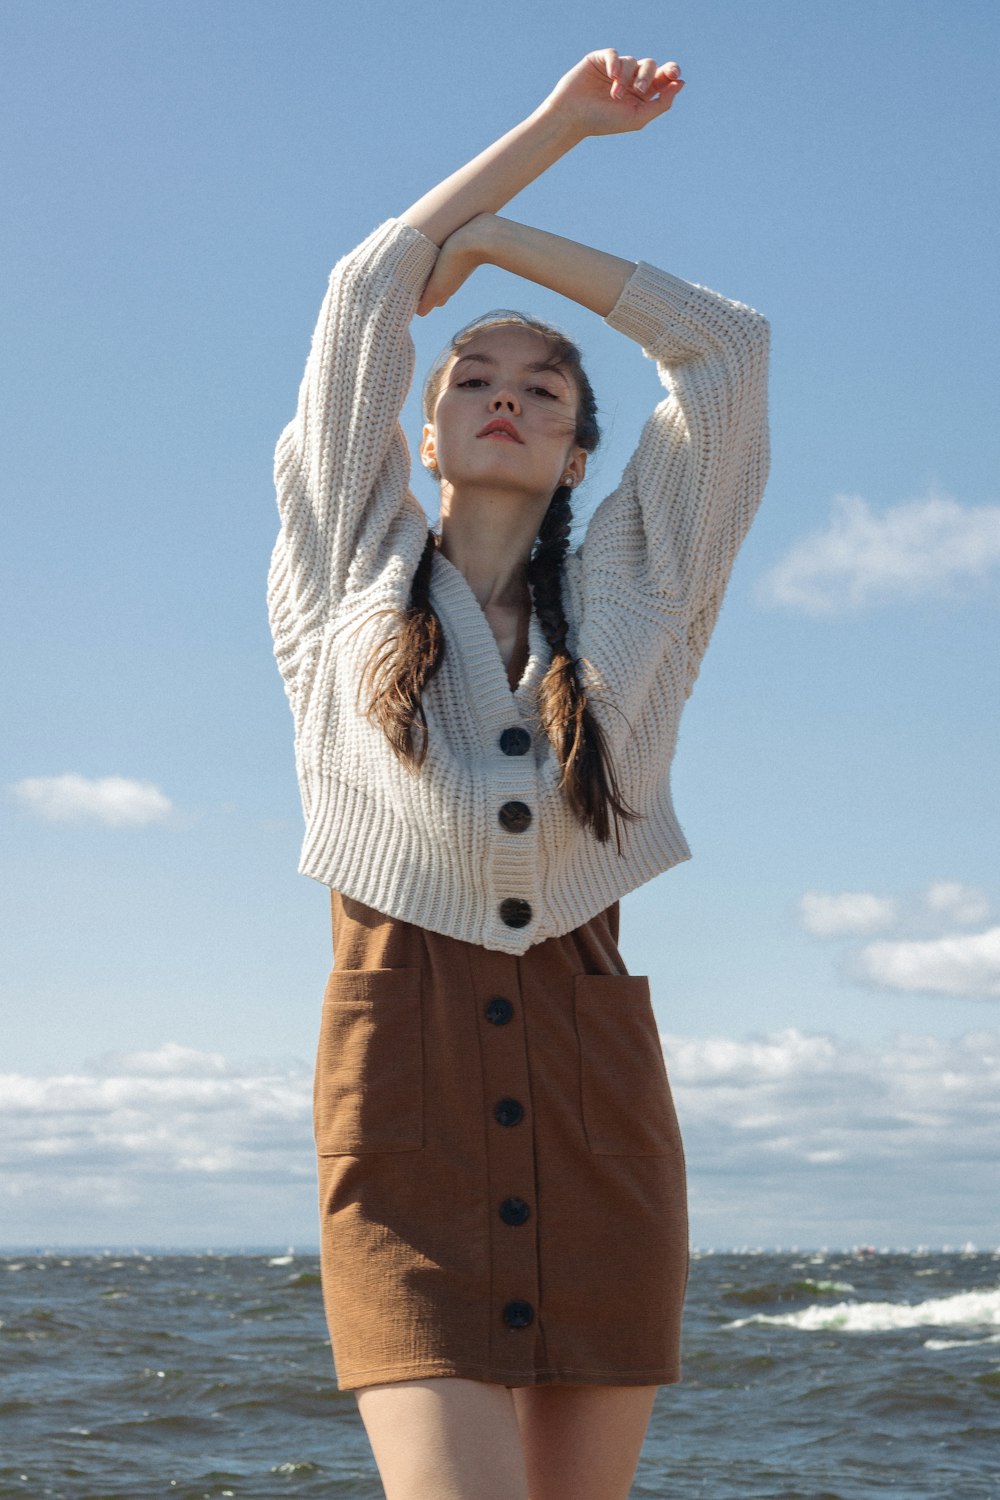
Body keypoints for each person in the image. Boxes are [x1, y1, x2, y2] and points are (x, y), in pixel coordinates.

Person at [267, 47, 770, 1500]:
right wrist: (550, 135)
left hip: (595, 1083)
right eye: (470, 379)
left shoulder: (636, 595)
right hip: (399, 1080)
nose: (504, 395)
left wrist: (501, 250)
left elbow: (726, 350)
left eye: (543, 387)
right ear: (419, 439)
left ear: (576, 451)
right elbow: (368, 291)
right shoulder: (343, 571)